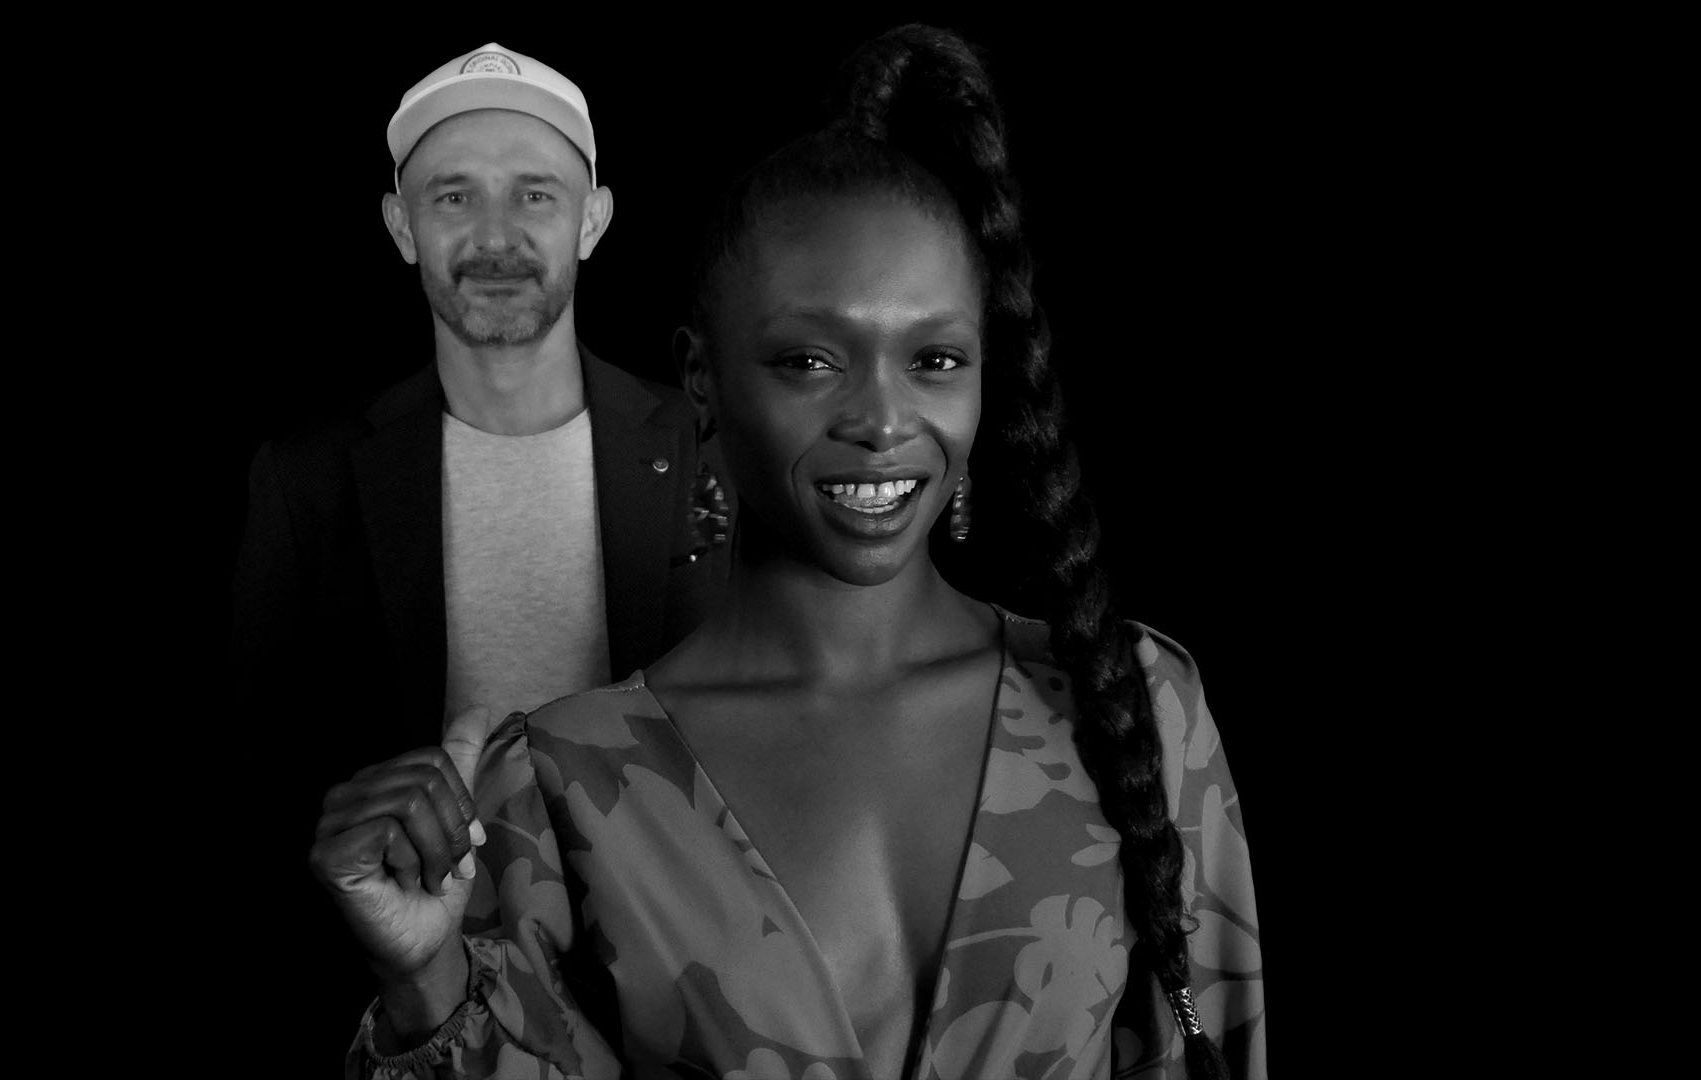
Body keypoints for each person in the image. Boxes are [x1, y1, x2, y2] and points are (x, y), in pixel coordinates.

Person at [311, 25, 1264, 1080]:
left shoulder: (1135, 708)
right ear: (702, 380)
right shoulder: (556, 785)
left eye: (935, 358)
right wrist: (424, 980)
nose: (883, 420)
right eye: (811, 360)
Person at [231, 40, 732, 769]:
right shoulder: (305, 482)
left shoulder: (709, 445)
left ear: (591, 222)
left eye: (535, 194)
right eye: (455, 197)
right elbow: (255, 768)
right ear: (403, 227)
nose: (496, 236)